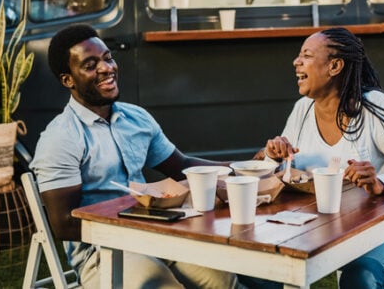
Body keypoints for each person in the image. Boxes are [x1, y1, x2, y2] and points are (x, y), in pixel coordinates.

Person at [30, 24, 240, 289]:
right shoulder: (60, 138)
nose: (107, 68)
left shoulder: (136, 118)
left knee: (222, 279)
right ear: (68, 79)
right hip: (102, 252)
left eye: (108, 58)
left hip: (154, 233)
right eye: (90, 64)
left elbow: (183, 166)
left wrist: (242, 169)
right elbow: (63, 224)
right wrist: (141, 219)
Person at [245, 27, 384, 289]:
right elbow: (279, 171)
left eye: (306, 55)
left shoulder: (372, 106)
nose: (296, 62)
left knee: (359, 279)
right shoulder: (303, 109)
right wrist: (272, 156)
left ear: (334, 66)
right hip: (323, 226)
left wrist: (380, 183)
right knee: (261, 270)